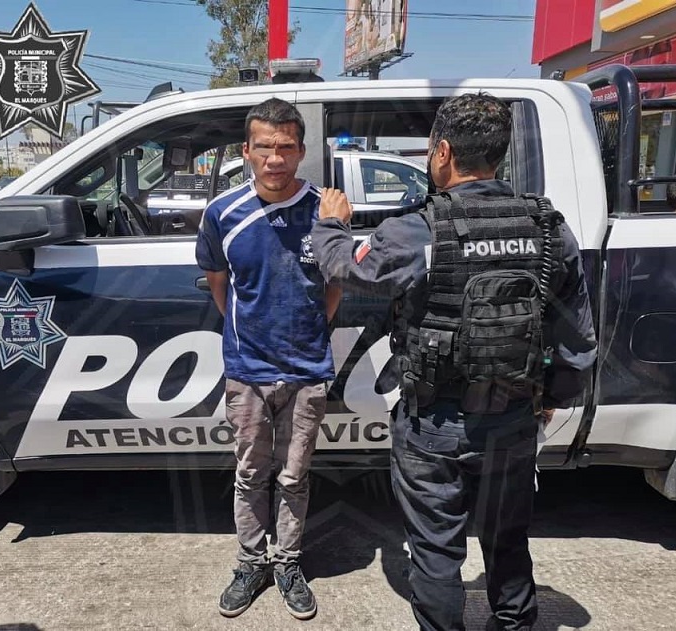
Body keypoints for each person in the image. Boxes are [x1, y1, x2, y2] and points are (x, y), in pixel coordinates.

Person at [311, 93, 597, 631]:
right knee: (507, 539)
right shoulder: (547, 228)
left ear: (442, 151)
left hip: (434, 424)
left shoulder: (416, 229)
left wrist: (329, 224)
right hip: (514, 417)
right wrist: (551, 400)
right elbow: (578, 336)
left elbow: (349, 271)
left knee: (437, 554)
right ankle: (515, 622)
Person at [195, 97, 341, 621]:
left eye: (285, 148)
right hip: (247, 370)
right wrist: (250, 336)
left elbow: (334, 284)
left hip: (306, 370)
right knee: (251, 471)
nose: (274, 158)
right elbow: (220, 285)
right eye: (264, 147)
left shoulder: (325, 209)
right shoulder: (222, 213)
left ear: (301, 151)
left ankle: (288, 562)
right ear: (247, 150)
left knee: (294, 476)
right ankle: (250, 563)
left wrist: (305, 336)